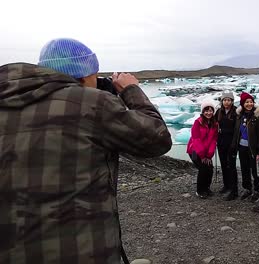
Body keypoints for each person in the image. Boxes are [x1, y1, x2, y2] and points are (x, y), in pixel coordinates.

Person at [0, 38, 172, 263]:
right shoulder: (89, 103)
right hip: (80, 249)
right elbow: (157, 139)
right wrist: (131, 91)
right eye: (95, 75)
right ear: (82, 76)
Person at [231, 92, 259, 202]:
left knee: (256, 170)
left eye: (251, 102)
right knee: (244, 169)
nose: (249, 104)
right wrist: (234, 146)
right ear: (242, 103)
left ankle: (257, 190)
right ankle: (247, 188)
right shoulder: (240, 116)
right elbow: (237, 132)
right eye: (246, 102)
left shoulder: (258, 116)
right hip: (242, 147)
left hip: (254, 149)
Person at [187, 100, 218, 199]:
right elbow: (196, 140)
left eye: (211, 111)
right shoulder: (198, 123)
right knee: (203, 169)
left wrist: (209, 155)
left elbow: (213, 140)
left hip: (206, 153)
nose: (209, 113)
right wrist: (203, 155)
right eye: (206, 111)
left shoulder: (214, 124)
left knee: (210, 169)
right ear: (202, 112)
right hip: (195, 151)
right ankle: (200, 191)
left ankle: (207, 188)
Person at [214, 92, 239, 201]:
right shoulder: (219, 112)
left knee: (231, 167)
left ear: (232, 101)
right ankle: (226, 185)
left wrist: (234, 144)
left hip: (231, 143)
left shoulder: (236, 112)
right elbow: (214, 124)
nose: (226, 102)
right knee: (224, 164)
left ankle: (234, 190)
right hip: (221, 143)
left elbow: (237, 130)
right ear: (222, 101)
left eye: (229, 100)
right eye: (225, 100)